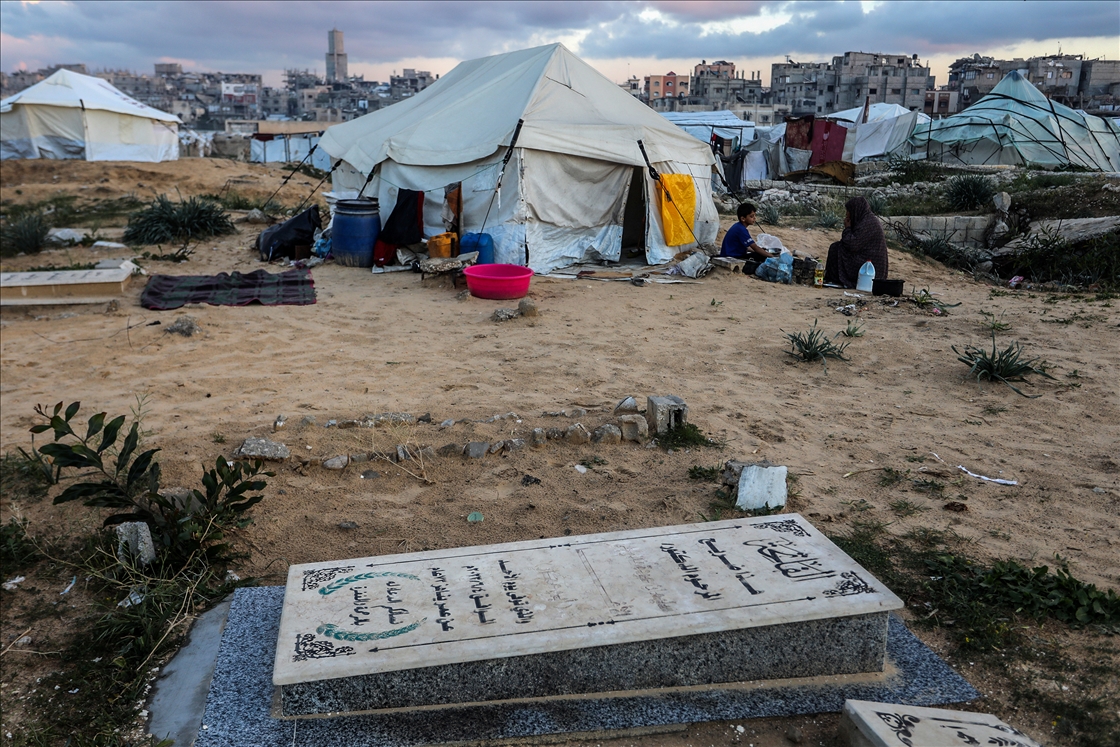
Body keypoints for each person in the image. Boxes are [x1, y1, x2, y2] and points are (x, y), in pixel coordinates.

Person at [823, 196, 888, 288]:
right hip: (864, 258)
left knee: (836, 249)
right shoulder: (864, 220)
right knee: (837, 247)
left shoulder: (869, 223)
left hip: (870, 267)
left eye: (848, 211)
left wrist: (848, 228)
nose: (847, 214)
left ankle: (837, 280)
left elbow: (852, 245)